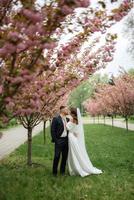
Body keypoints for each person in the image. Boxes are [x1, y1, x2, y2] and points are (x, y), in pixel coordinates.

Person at [66, 107, 102, 177]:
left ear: (73, 113)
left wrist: (66, 122)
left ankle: (76, 168)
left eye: (70, 112)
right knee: (74, 151)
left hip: (71, 136)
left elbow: (68, 127)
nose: (69, 113)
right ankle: (76, 166)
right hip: (73, 137)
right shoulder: (77, 119)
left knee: (73, 152)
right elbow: (76, 129)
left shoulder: (73, 119)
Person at [51, 106, 69, 176]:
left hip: (66, 140)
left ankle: (62, 171)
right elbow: (52, 131)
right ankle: (54, 172)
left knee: (65, 156)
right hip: (59, 140)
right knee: (57, 156)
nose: (67, 110)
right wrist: (56, 140)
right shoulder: (56, 119)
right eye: (66, 109)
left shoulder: (67, 119)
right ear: (62, 110)